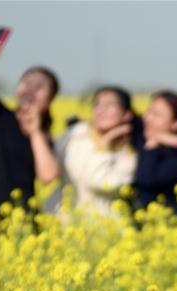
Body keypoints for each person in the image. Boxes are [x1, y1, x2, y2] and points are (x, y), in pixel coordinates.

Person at [0, 40, 60, 232]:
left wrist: (35, 132)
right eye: (26, 83)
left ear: (49, 99)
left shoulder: (44, 136)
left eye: (39, 86)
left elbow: (48, 175)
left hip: (23, 222)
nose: (30, 90)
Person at [45, 86, 138, 219]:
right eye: (97, 104)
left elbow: (98, 182)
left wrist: (105, 144)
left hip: (104, 227)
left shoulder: (129, 153)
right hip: (61, 222)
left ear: (127, 114)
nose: (101, 110)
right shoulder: (74, 135)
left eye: (110, 105)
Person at [133, 90, 177, 216]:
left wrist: (153, 145)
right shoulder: (141, 133)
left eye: (157, 115)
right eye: (149, 111)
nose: (148, 118)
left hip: (164, 218)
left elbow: (145, 180)